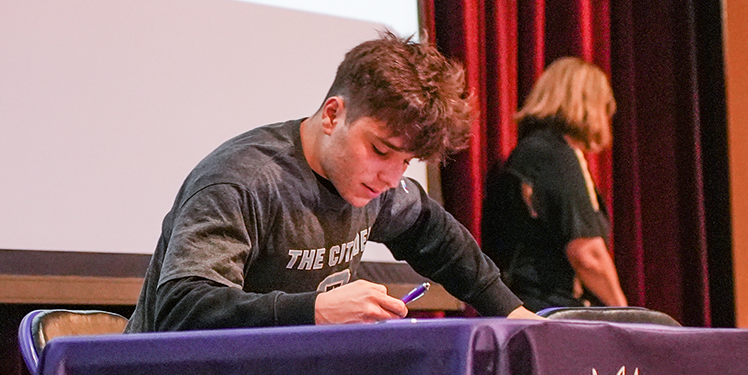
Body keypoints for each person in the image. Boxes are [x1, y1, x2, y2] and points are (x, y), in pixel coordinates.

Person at [130, 33, 541, 332]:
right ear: (332, 115)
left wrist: (510, 311)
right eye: (380, 150)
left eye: (406, 161)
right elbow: (182, 307)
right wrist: (314, 310)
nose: (390, 177)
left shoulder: (374, 185)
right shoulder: (243, 181)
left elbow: (433, 233)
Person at [482, 57, 628, 311]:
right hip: (549, 311)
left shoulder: (534, 152)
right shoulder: (555, 156)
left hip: (524, 307)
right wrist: (626, 314)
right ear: (588, 105)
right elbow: (587, 254)